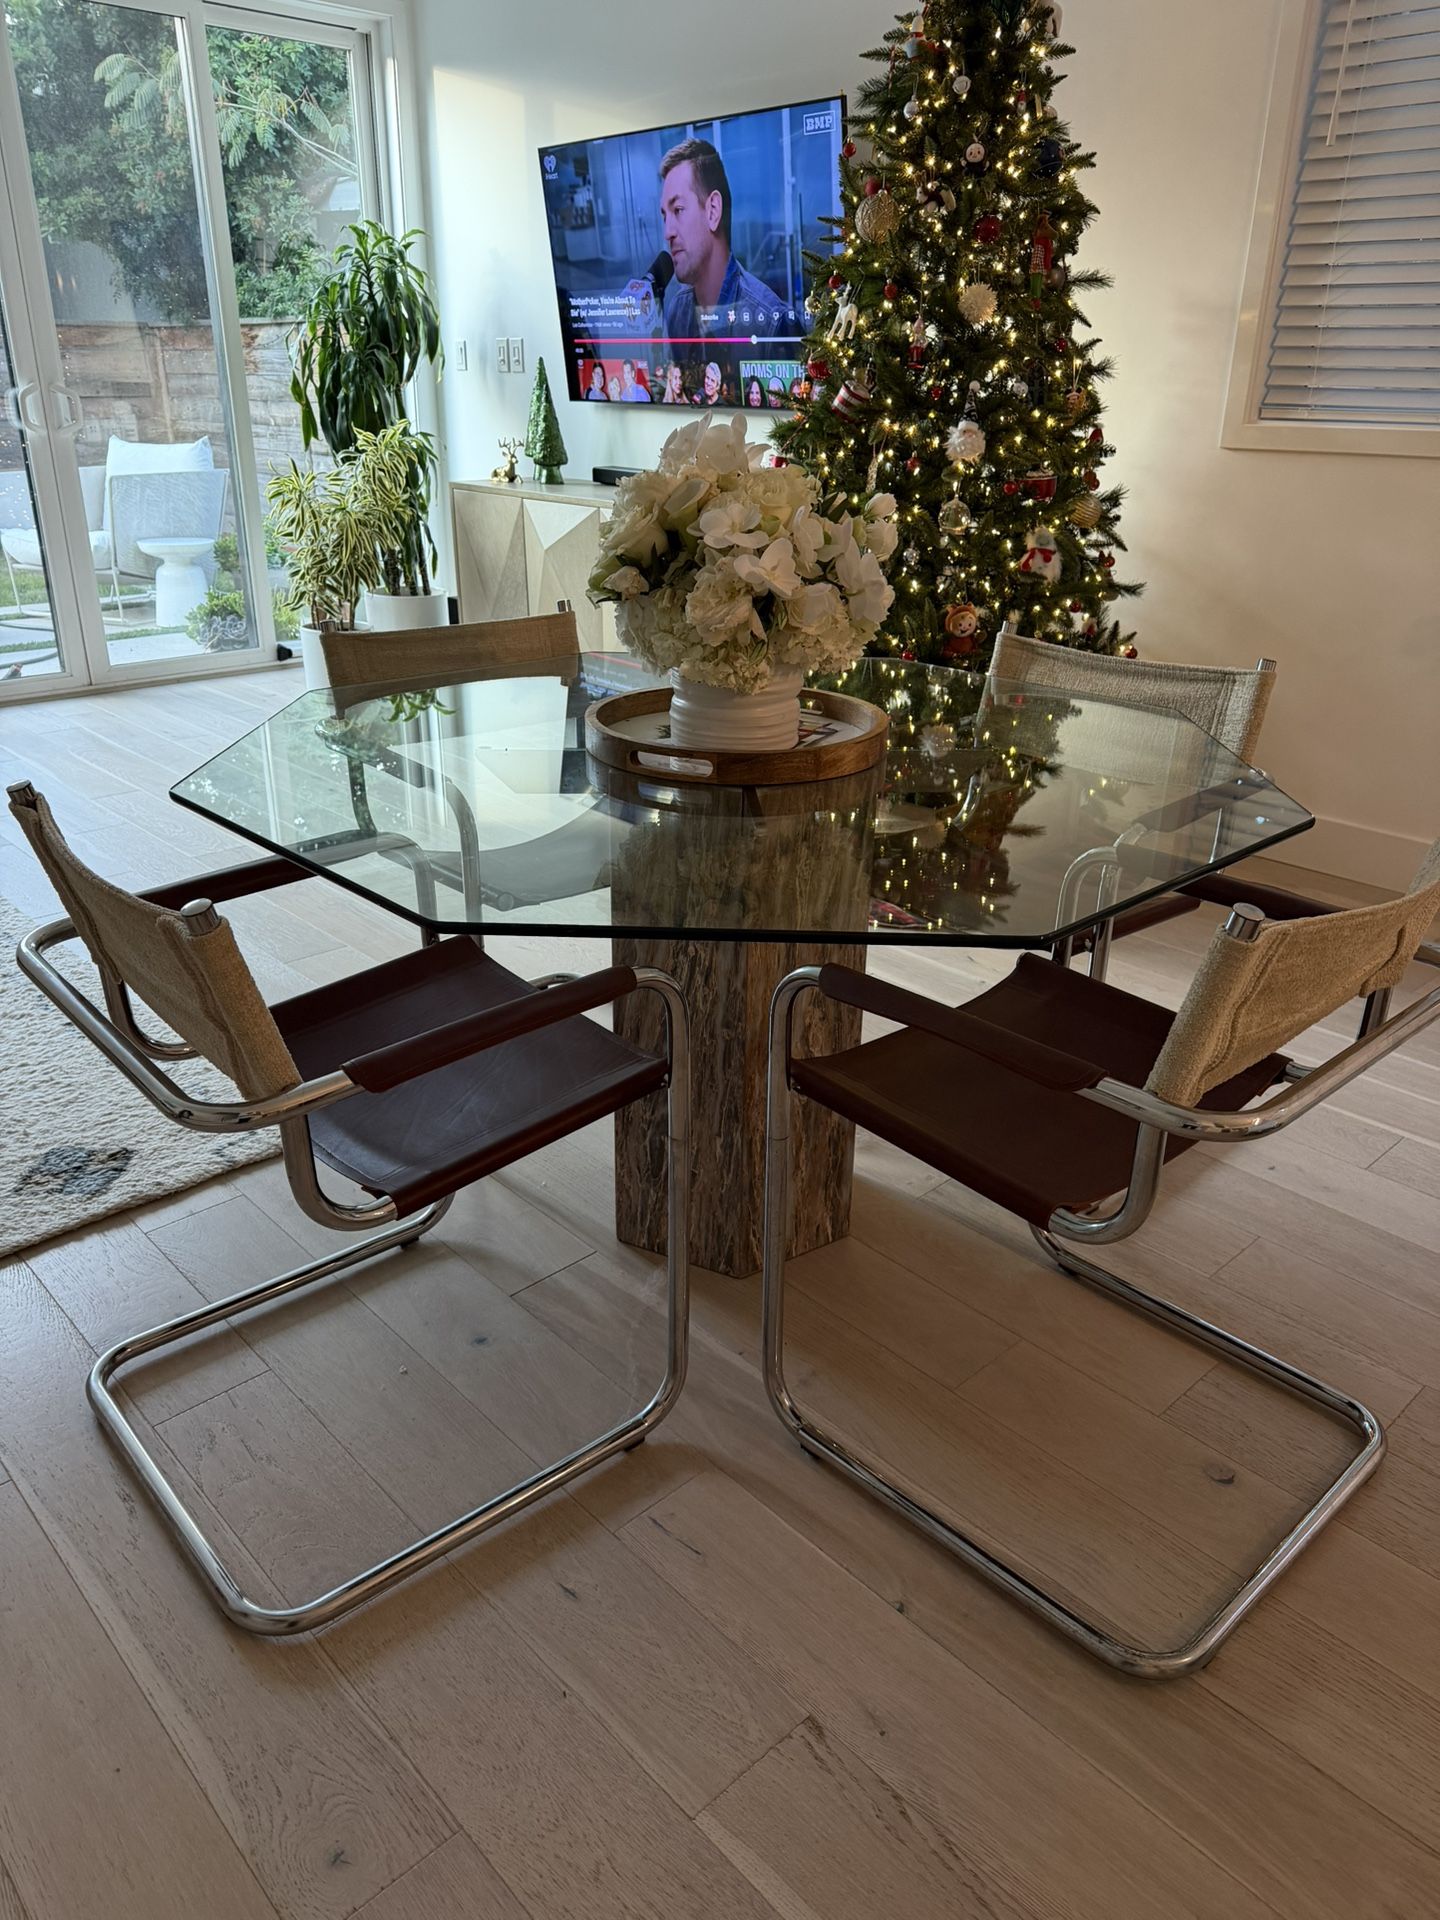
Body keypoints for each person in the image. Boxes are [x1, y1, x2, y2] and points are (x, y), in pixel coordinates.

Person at [659, 138, 778, 360]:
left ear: (713, 210)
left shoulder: (770, 323)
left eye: (678, 210)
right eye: (665, 216)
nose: (668, 232)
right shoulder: (677, 311)